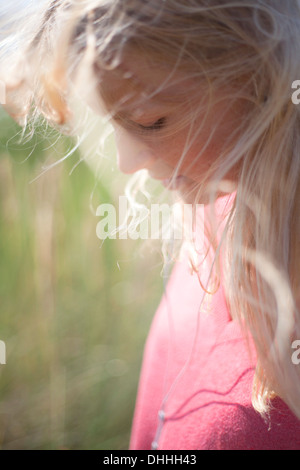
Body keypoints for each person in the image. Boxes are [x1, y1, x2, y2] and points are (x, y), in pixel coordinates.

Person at [1, 0, 300, 450]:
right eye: (111, 121)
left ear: (266, 69)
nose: (126, 162)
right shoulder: (217, 203)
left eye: (150, 121)